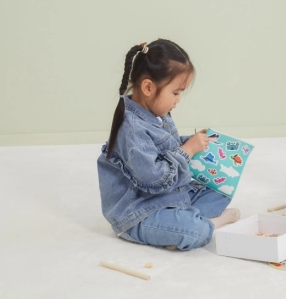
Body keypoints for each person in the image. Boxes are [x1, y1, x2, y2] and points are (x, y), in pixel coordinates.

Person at [97, 39, 239, 251]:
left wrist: (189, 142)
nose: (178, 100)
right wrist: (188, 150)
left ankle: (176, 226)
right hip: (139, 212)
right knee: (192, 230)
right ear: (148, 87)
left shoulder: (156, 114)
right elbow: (154, 179)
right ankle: (204, 225)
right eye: (176, 93)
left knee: (222, 189)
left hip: (169, 197)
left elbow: (165, 148)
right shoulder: (132, 129)